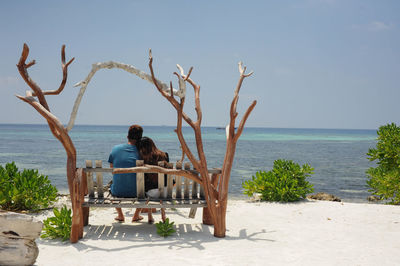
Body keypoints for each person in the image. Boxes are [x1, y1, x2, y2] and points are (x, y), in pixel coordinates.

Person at [108, 124, 143, 223]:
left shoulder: (115, 149)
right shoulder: (143, 151)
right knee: (143, 183)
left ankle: (120, 215)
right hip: (138, 193)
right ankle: (136, 215)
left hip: (117, 192)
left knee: (114, 181)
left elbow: (112, 168)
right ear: (140, 138)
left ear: (127, 136)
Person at [138, 136, 169, 223]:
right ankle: (163, 215)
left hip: (150, 193)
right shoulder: (164, 155)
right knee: (161, 186)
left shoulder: (142, 158)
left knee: (147, 187)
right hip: (165, 192)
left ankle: (150, 216)